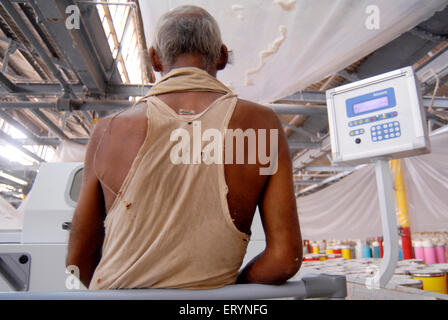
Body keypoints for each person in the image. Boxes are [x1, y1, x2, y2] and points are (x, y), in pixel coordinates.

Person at [66, 5, 302, 290]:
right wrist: (233, 291)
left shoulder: (107, 130)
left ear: (154, 58)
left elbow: (78, 261)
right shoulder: (262, 124)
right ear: (223, 56)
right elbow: (285, 259)